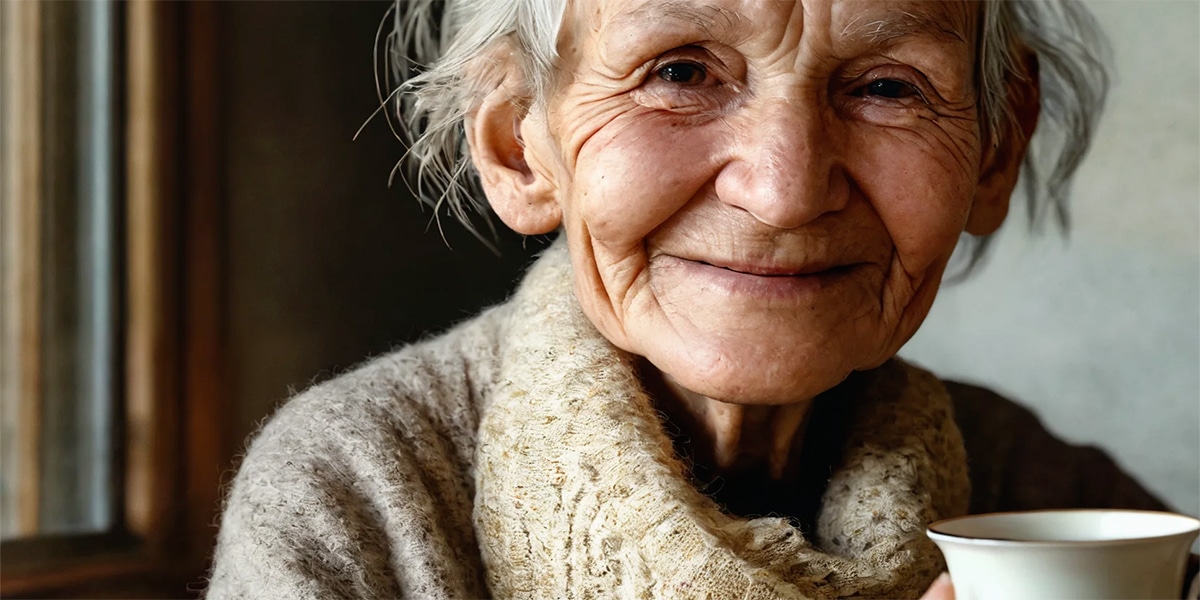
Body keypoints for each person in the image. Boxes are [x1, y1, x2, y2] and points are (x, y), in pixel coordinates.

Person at [205, 0, 1182, 598]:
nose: (786, 186)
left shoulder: (1050, 503)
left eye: (887, 87)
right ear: (516, 143)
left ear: (997, 149)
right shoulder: (365, 493)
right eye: (678, 71)